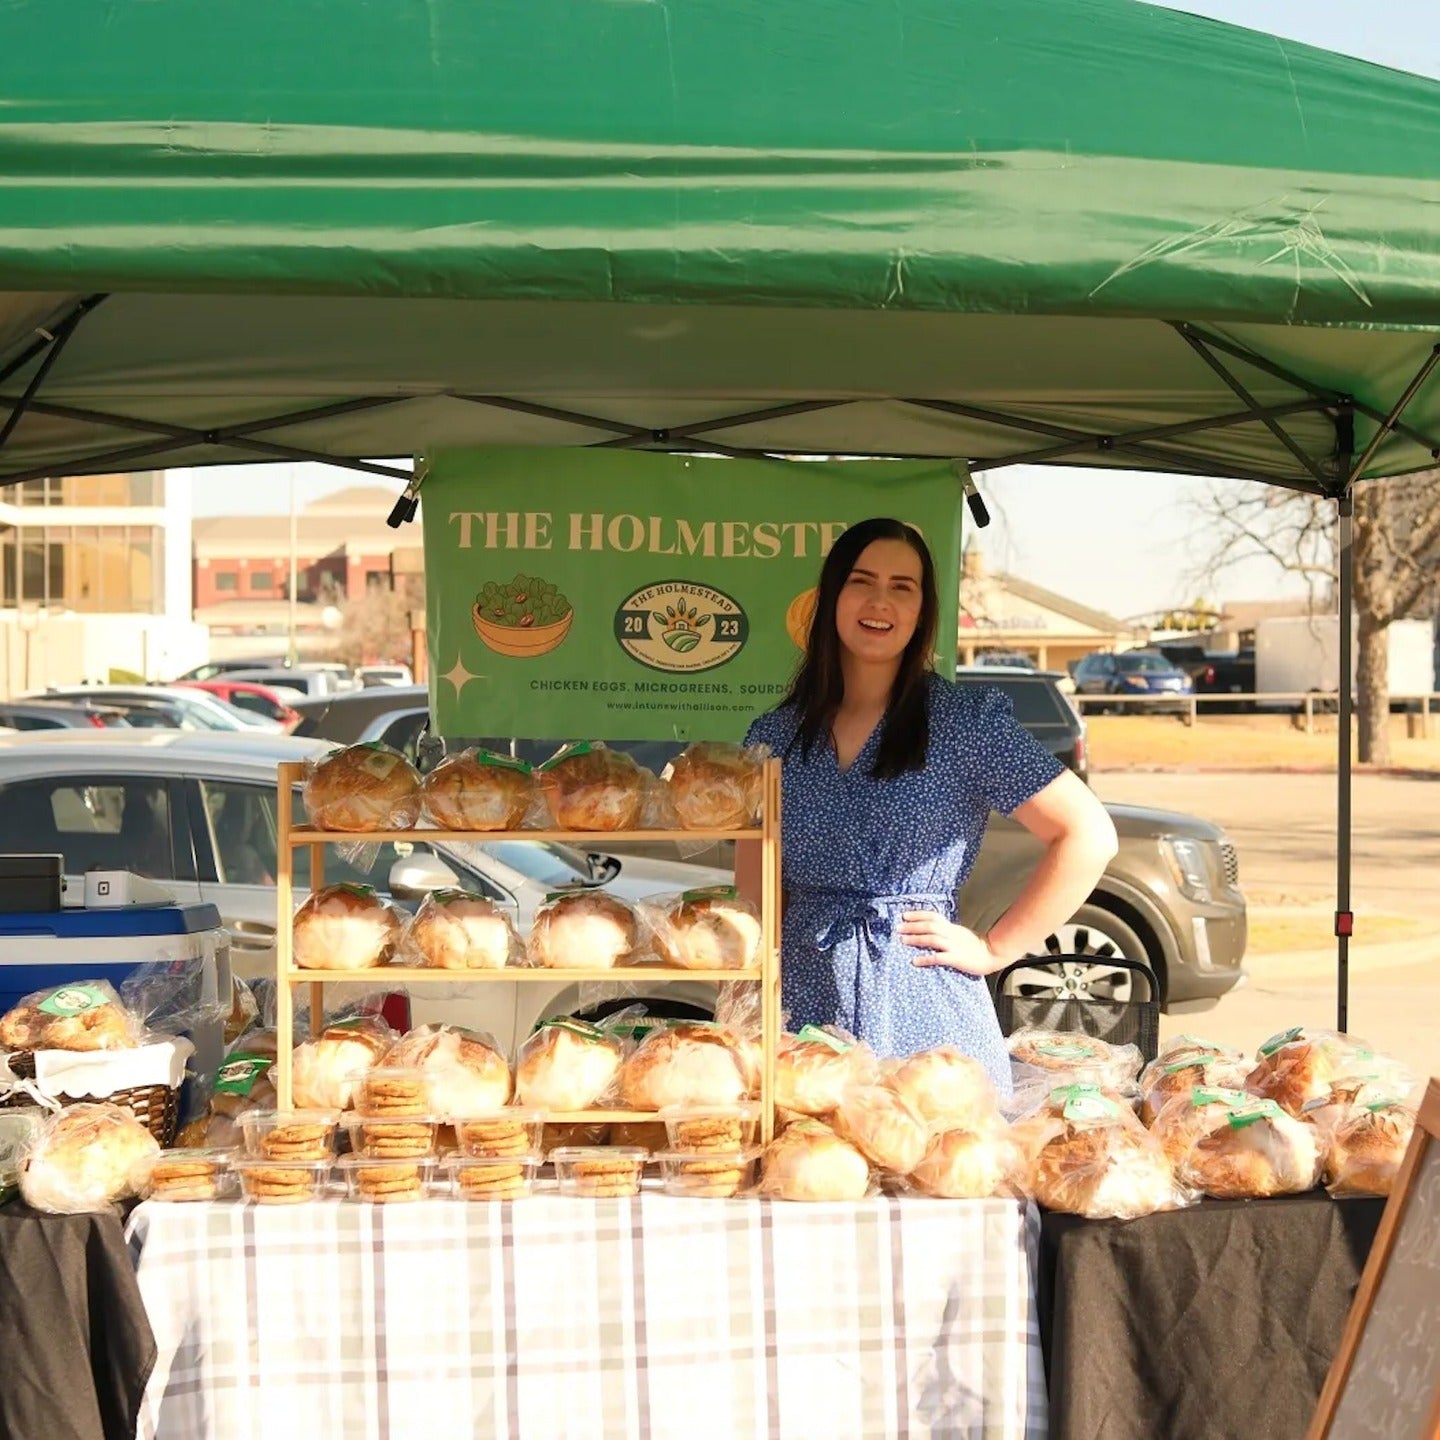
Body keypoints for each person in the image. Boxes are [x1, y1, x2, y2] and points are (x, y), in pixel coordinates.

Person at [742, 517, 1117, 1094]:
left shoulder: (965, 724)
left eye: (902, 587)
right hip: (803, 1008)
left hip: (927, 1010)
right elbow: (757, 891)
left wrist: (996, 947)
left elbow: (1088, 834)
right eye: (862, 581)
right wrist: (747, 999)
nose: (879, 601)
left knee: (938, 1168)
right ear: (832, 596)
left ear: (922, 611)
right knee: (812, 1170)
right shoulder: (775, 735)